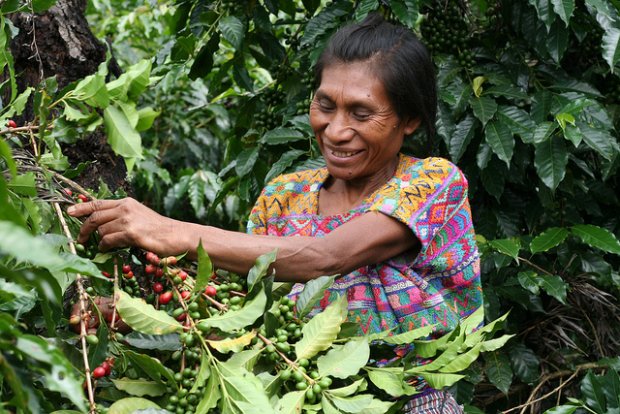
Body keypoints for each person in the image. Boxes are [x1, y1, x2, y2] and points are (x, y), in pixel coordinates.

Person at [68, 13, 481, 413]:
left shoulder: (432, 184)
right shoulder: (282, 197)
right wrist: (139, 318)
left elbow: (325, 257)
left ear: (408, 120)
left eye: (361, 113)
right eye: (325, 105)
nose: (336, 130)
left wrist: (170, 231)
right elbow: (243, 318)